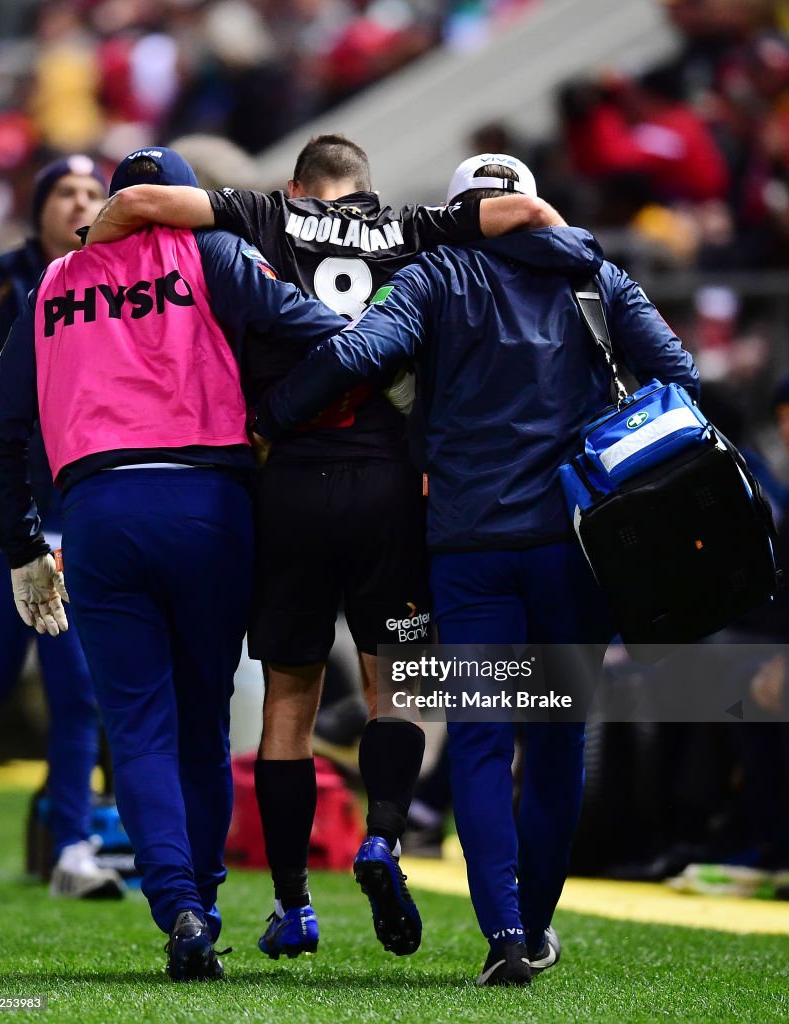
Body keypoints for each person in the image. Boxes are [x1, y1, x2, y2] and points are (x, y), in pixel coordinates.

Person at [86, 134, 566, 960]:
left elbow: (137, 203)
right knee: (396, 688)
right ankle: (381, 838)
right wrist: (578, 260)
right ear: (367, 188)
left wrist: (85, 257)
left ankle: (292, 903)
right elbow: (524, 212)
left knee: (289, 700)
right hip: (389, 486)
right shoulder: (419, 227)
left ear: (298, 184)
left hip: (288, 484)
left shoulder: (266, 214)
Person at [253, 153, 700, 985]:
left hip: (469, 547)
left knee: (483, 742)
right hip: (578, 544)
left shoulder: (435, 273)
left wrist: (272, 413)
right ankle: (534, 927)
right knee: (558, 741)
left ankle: (499, 931)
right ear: (531, 205)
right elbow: (680, 378)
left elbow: (359, 353)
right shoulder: (593, 273)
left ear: (466, 211)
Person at [0, 148, 346, 979]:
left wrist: (24, 545)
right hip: (209, 505)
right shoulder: (210, 252)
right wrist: (286, 415)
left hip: (100, 513)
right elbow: (317, 330)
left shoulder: (52, 284)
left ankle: (177, 906)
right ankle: (205, 902)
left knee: (135, 727)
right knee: (201, 727)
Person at [0, 154, 126, 900]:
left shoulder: (122, 285)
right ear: (38, 208)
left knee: (77, 688)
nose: (82, 203)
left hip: (72, 512)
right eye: (66, 192)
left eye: (94, 193)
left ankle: (73, 848)